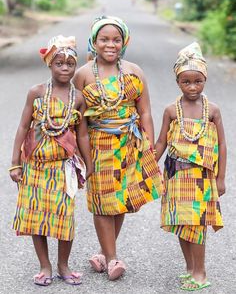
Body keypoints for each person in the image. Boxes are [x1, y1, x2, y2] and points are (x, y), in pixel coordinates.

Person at [73, 15, 163, 280]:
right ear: (94, 41)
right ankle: (112, 259)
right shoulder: (83, 74)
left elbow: (144, 111)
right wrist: (80, 155)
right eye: (104, 39)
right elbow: (78, 118)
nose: (110, 44)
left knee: (120, 200)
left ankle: (103, 253)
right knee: (102, 202)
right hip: (98, 145)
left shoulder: (135, 72)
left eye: (116, 39)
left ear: (124, 42)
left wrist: (150, 146)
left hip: (129, 143)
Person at [9, 35, 93, 286]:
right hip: (35, 167)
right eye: (59, 63)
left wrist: (88, 165)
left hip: (62, 168)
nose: (65, 68)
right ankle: (45, 266)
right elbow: (23, 127)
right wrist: (16, 163)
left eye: (70, 64)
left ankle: (63, 265)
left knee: (64, 217)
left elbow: (83, 134)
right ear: (49, 64)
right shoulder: (37, 92)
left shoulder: (77, 98)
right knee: (37, 217)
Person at [154, 42, 226, 291]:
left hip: (201, 178)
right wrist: (149, 164)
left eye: (198, 81)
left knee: (197, 226)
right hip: (175, 176)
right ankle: (189, 268)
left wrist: (220, 178)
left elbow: (222, 146)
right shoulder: (171, 111)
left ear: (205, 80)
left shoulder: (212, 111)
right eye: (187, 82)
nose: (193, 87)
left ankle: (201, 273)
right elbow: (162, 141)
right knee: (182, 224)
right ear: (178, 82)